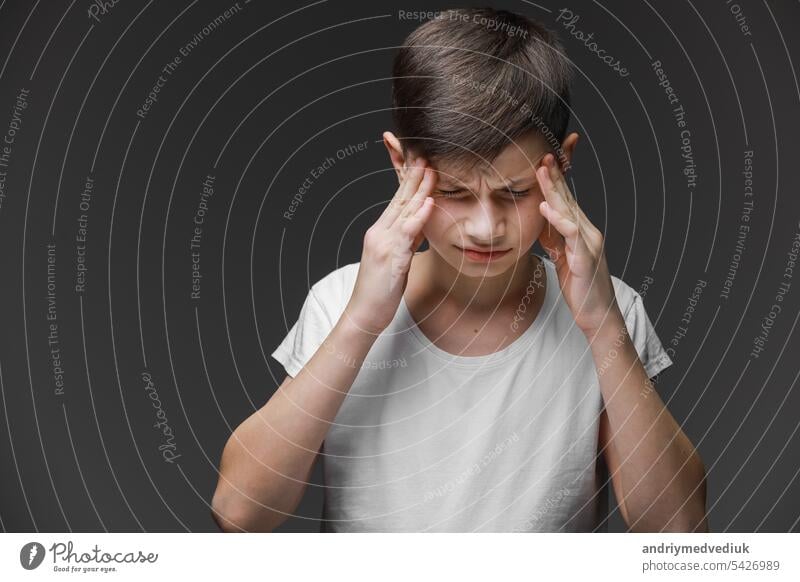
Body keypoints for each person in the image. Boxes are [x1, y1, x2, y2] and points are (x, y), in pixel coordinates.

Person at [211, 7, 708, 533]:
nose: (484, 228)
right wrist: (363, 319)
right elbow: (241, 512)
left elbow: (678, 531)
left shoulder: (613, 310)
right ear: (401, 164)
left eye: (514, 193)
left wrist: (603, 324)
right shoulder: (340, 302)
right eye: (453, 192)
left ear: (560, 165)